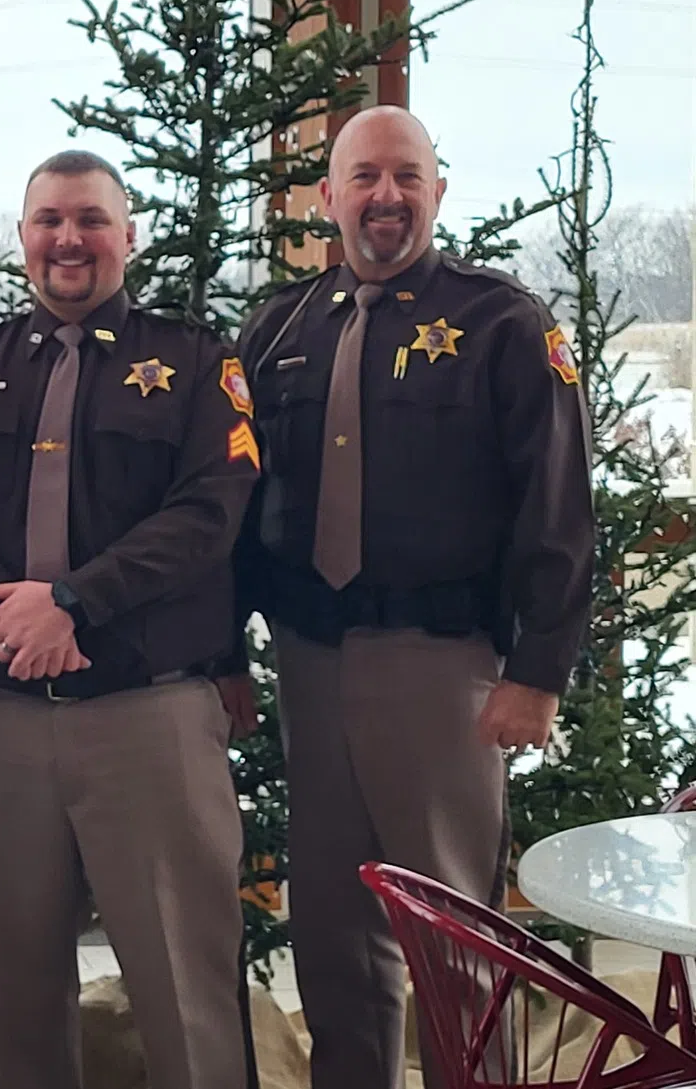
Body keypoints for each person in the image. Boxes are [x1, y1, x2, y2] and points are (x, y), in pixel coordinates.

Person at [221, 104, 594, 1089]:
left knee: (454, 940)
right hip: (309, 664)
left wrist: (537, 675)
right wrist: (223, 656)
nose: (384, 196)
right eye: (363, 177)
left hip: (443, 667)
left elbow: (558, 508)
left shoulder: (501, 322)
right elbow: (235, 512)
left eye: (405, 176)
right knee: (333, 936)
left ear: (437, 191)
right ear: (327, 197)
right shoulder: (278, 330)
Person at [0, 150, 258, 1089]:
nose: (69, 239)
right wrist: (13, 619)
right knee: (19, 992)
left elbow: (210, 511)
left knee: (187, 991)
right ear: (23, 237)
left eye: (91, 219)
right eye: (49, 220)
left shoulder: (195, 361)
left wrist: (74, 602)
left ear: (128, 236)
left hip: (147, 715)